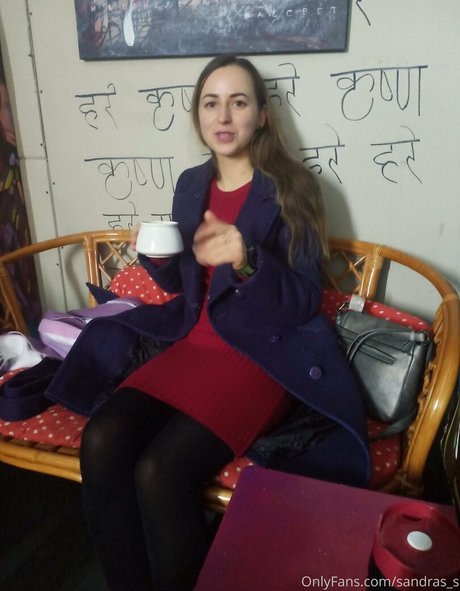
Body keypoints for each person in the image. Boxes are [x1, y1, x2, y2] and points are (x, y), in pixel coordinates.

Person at [59, 54, 371, 591]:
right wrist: (157, 261)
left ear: (262, 115)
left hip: (259, 356)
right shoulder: (190, 184)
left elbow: (303, 301)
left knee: (160, 472)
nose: (223, 116)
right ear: (198, 115)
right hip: (192, 346)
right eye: (211, 103)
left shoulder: (294, 187)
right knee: (102, 439)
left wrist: (247, 260)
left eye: (238, 102)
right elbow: (185, 287)